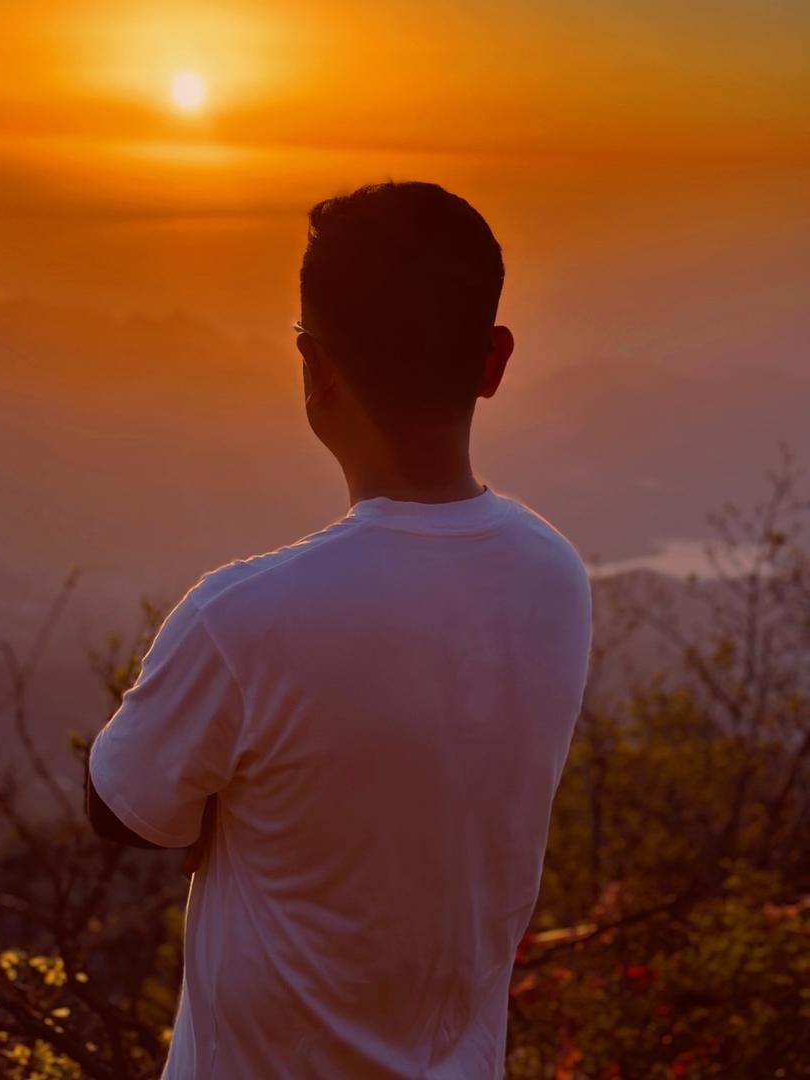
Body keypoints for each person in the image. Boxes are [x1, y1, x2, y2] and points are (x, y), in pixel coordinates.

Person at [85, 180, 593, 1078]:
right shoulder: (555, 577)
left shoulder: (241, 621)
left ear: (311, 366)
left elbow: (126, 808)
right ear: (494, 359)